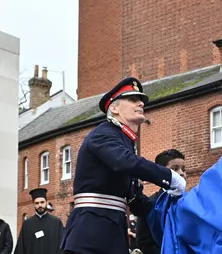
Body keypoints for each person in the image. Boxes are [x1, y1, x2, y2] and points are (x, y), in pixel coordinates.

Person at [61, 77, 186, 254]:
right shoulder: (104, 132)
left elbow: (136, 202)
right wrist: (168, 177)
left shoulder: (124, 141)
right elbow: (124, 161)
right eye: (133, 100)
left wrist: (172, 205)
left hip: (111, 235)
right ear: (114, 108)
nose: (141, 103)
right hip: (90, 235)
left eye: (141, 101)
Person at [136, 149, 186, 254]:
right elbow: (144, 242)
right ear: (162, 173)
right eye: (175, 169)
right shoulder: (149, 204)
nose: (181, 173)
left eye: (183, 169)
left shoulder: (191, 202)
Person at [14, 188, 64, 254]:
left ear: (46, 202)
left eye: (42, 202)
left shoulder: (56, 222)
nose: (40, 205)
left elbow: (61, 246)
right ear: (33, 204)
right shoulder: (27, 224)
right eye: (37, 203)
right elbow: (21, 248)